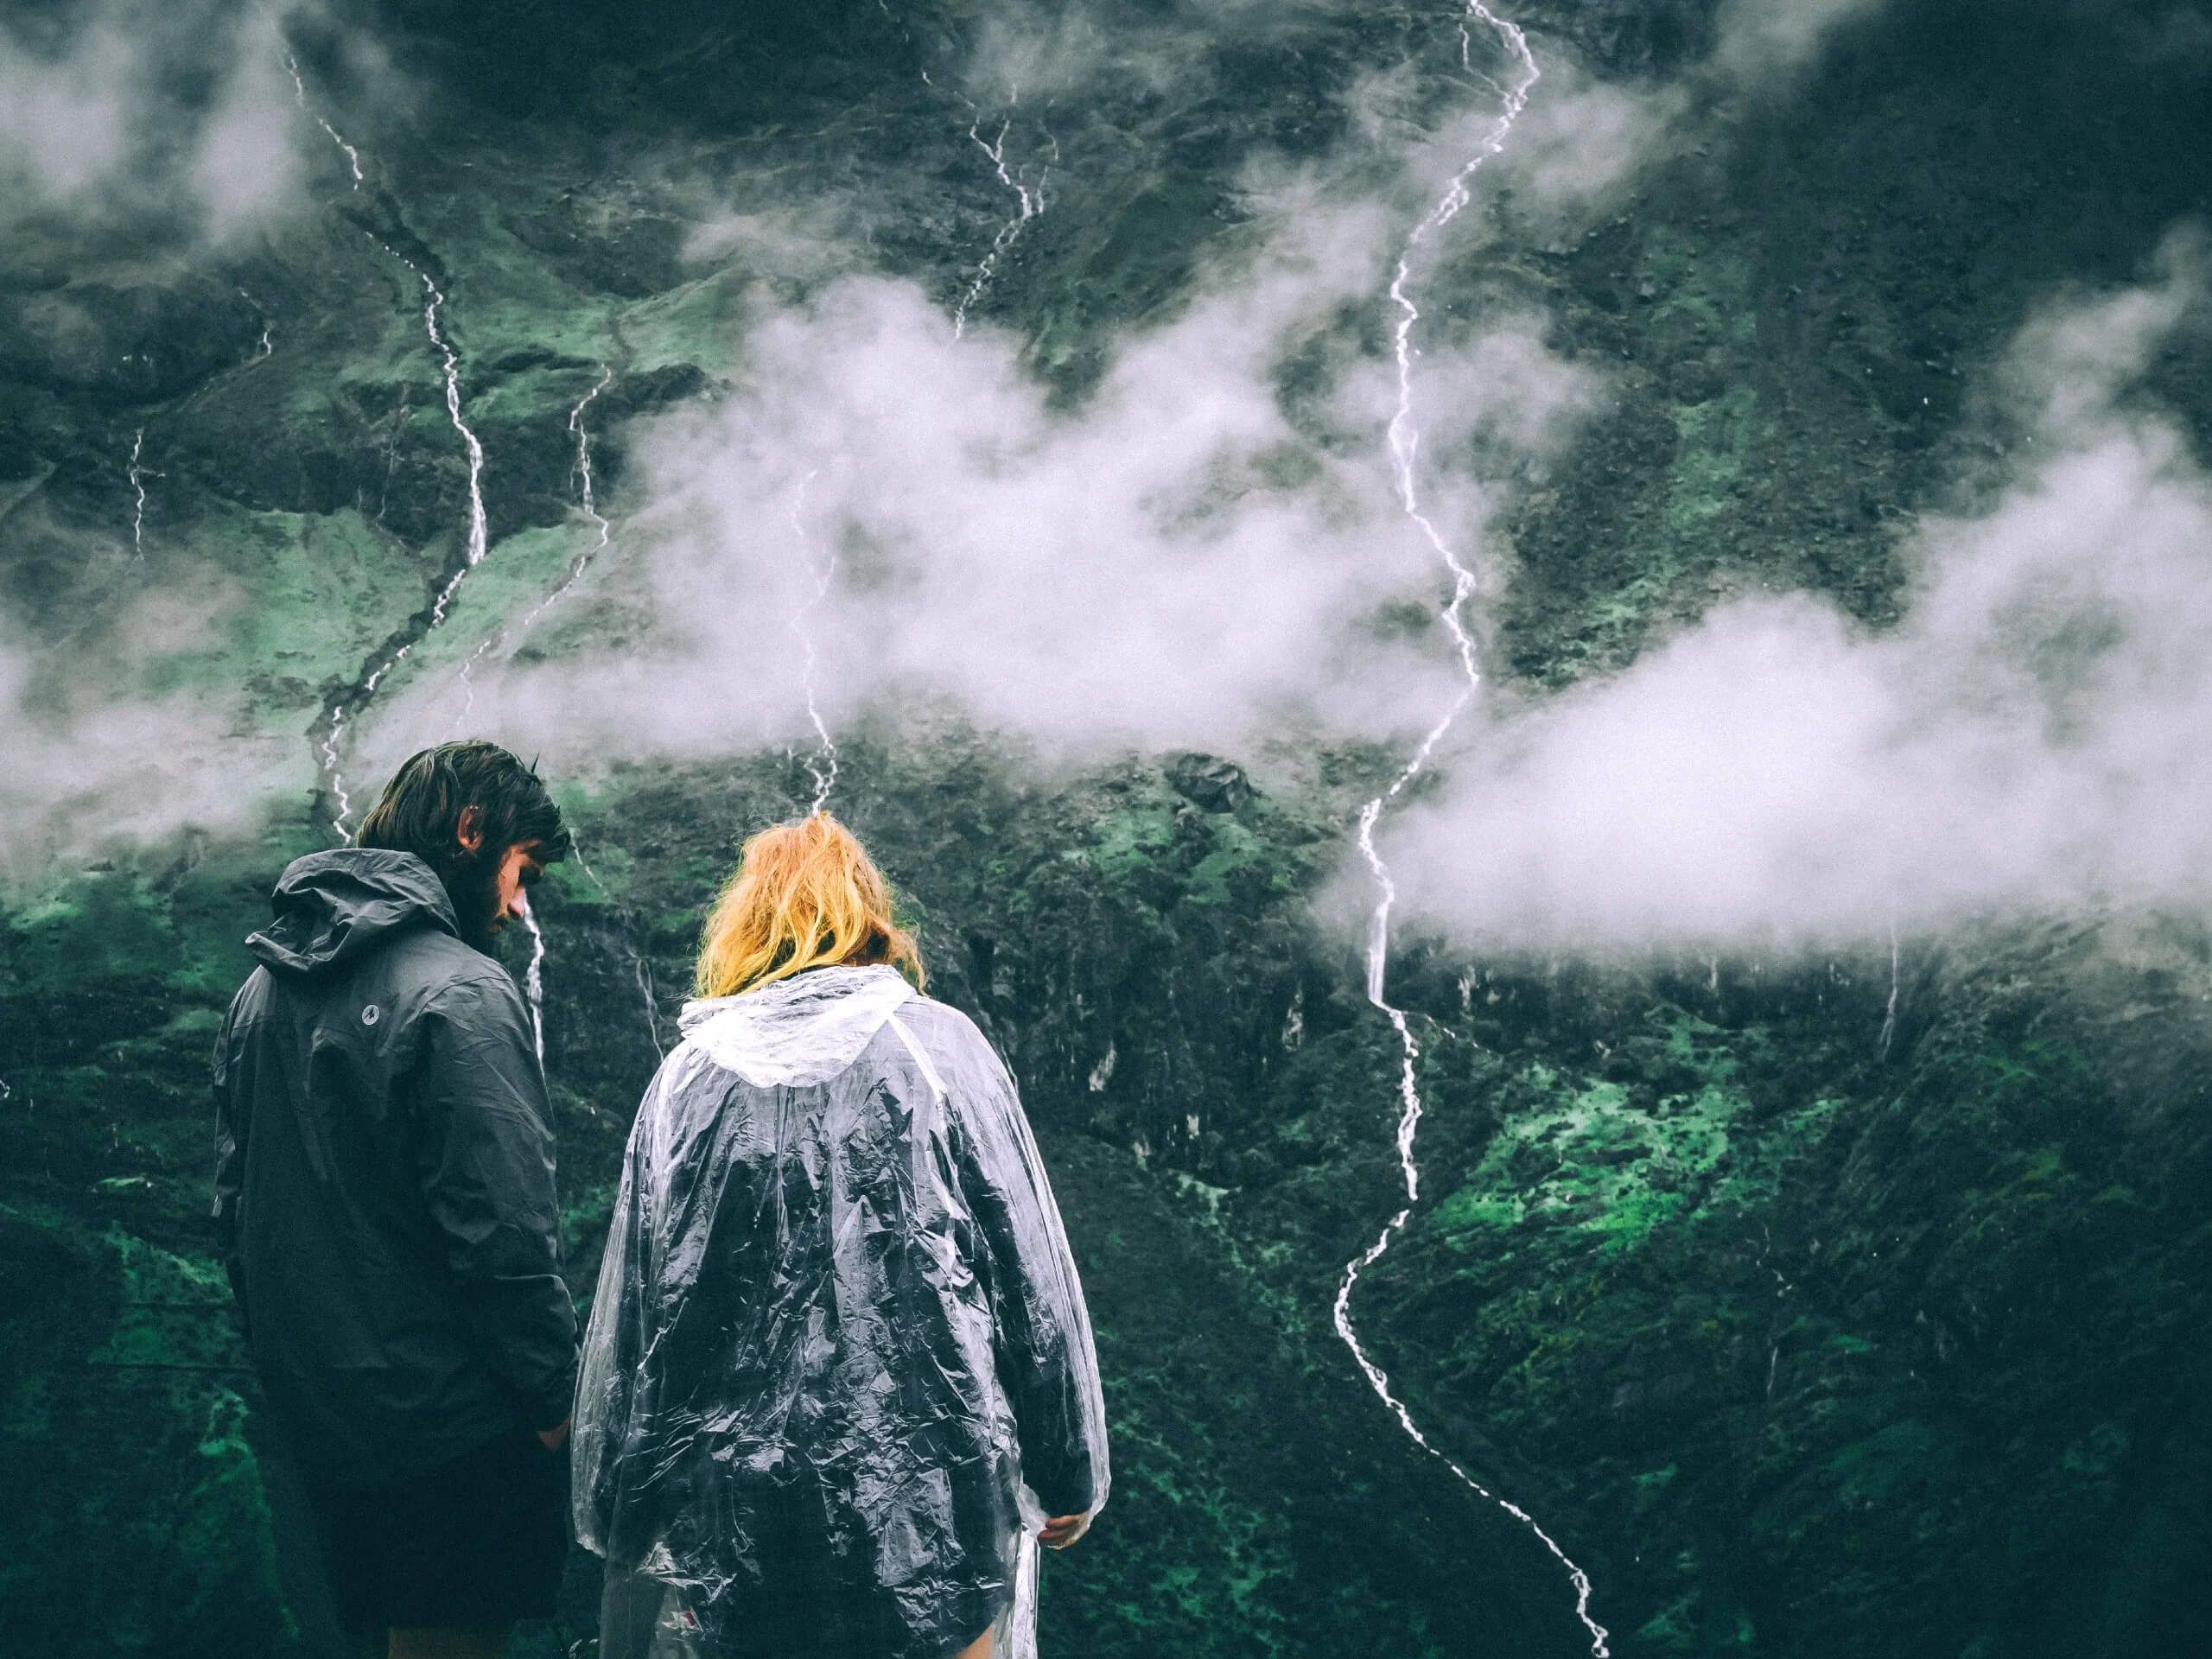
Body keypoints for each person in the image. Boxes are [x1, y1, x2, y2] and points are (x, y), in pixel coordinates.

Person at [573, 812, 1110, 1659]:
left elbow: (648, 1315)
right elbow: (1024, 1275)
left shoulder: (687, 1082)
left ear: (742, 928)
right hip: (941, 1495)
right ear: (868, 918)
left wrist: (619, 1501)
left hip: (743, 1511)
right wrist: (1068, 1469)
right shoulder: (942, 1051)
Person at [212, 741, 581, 1659]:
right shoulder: (460, 991)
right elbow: (504, 1234)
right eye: (519, 870)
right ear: (469, 832)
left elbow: (234, 1207)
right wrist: (552, 1400)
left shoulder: (258, 992)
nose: (515, 903)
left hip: (325, 1410)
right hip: (452, 1418)